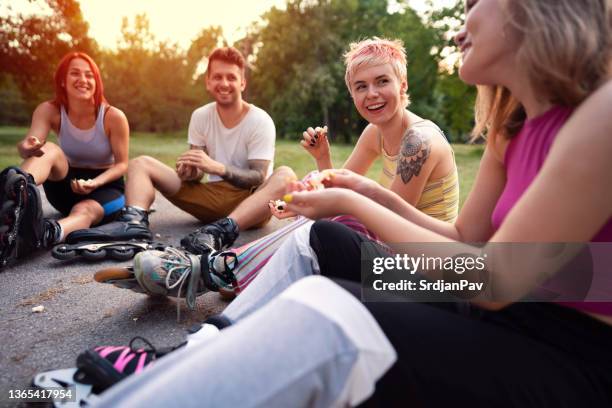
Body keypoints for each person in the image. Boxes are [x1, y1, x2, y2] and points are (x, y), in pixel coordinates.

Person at [85, 0, 612, 406]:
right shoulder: (509, 126)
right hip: (489, 301)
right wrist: (361, 191)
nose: (461, 22)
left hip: (569, 354)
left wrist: (356, 203)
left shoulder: (600, 115)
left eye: (475, 3)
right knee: (319, 243)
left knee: (327, 313)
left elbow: (492, 279)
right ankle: (190, 356)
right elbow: (465, 241)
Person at [119, 37, 460, 305]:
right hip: (394, 253)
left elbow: (389, 224)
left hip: (421, 269)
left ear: (402, 86)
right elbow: (335, 184)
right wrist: (320, 165)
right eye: (361, 86)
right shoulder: (375, 133)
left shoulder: (419, 140)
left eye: (382, 81)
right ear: (352, 93)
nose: (371, 94)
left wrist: (327, 202)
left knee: (335, 219)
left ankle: (216, 270)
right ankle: (238, 273)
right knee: (314, 196)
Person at [72, 46, 284, 252]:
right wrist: (190, 171)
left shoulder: (259, 120)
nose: (224, 83)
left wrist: (218, 168)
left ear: (243, 83)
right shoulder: (201, 116)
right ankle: (133, 225)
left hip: (252, 204)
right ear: (208, 82)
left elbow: (258, 176)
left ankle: (221, 231)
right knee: (140, 164)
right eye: (218, 77)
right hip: (213, 199)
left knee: (286, 175)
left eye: (231, 77)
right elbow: (198, 173)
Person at [0, 52, 129, 269]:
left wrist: (95, 183)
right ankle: (17, 193)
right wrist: (26, 147)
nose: (83, 80)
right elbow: (30, 147)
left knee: (84, 211)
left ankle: (46, 234)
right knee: (50, 148)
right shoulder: (49, 110)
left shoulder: (112, 116)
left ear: (97, 82)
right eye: (75, 73)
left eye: (90, 75)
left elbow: (122, 164)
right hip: (66, 184)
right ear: (62, 80)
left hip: (105, 188)